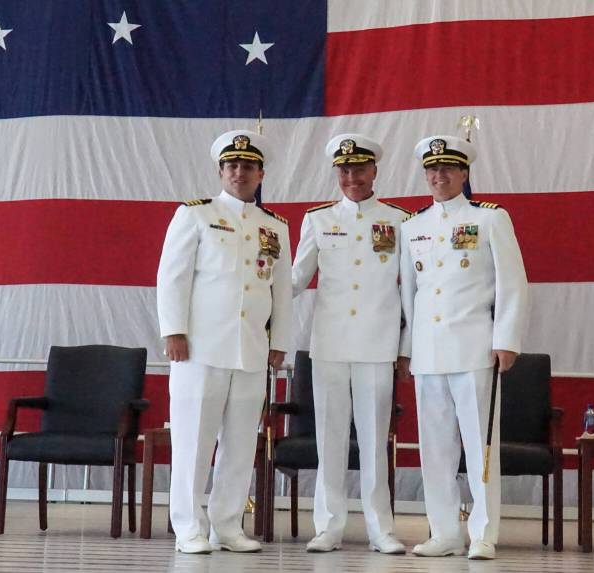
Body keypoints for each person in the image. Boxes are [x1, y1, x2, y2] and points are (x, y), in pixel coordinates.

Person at [156, 130, 292, 554]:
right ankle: (188, 527)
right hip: (200, 349)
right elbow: (172, 277)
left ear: (260, 174)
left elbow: (281, 291)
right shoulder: (195, 214)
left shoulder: (275, 226)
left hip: (250, 349)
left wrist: (280, 341)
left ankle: (228, 525)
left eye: (248, 166)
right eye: (232, 165)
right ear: (220, 171)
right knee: (194, 443)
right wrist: (173, 331)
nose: (239, 172)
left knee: (238, 446)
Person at [397, 135, 529, 560]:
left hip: (474, 347)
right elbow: (410, 297)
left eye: (449, 169)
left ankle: (484, 532)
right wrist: (408, 348)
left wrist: (506, 339)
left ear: (464, 173)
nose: (440, 176)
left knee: (480, 445)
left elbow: (513, 283)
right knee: (435, 448)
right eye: (433, 170)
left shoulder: (490, 219)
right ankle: (444, 532)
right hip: (429, 351)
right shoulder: (411, 227)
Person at [291, 134, 410, 554]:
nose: (352, 177)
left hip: (378, 345)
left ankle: (381, 528)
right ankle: (329, 525)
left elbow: (411, 292)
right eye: (344, 170)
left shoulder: (399, 220)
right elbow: (295, 279)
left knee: (376, 442)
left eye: (360, 169)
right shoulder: (318, 220)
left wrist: (405, 347)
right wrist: (249, 298)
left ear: (375, 171)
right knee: (330, 437)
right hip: (330, 345)